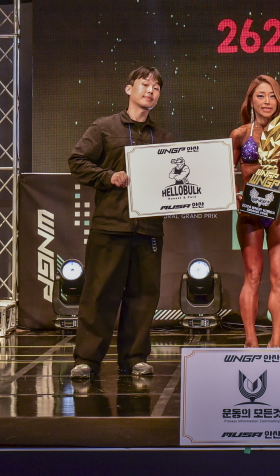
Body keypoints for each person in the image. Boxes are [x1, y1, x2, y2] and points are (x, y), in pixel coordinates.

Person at [67, 67, 172, 380]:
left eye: (156, 87)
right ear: (129, 89)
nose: (150, 91)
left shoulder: (163, 138)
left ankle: (134, 358)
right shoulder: (104, 127)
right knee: (98, 294)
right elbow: (77, 161)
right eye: (144, 84)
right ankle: (87, 360)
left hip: (149, 229)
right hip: (110, 225)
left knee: (143, 296)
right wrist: (107, 176)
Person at [230, 75, 280, 348]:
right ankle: (251, 340)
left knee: (279, 278)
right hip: (250, 211)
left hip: (279, 209)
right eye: (261, 95)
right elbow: (225, 172)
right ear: (251, 101)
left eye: (272, 95)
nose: (267, 101)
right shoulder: (239, 135)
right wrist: (235, 196)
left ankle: (277, 342)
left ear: (278, 100)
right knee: (253, 275)